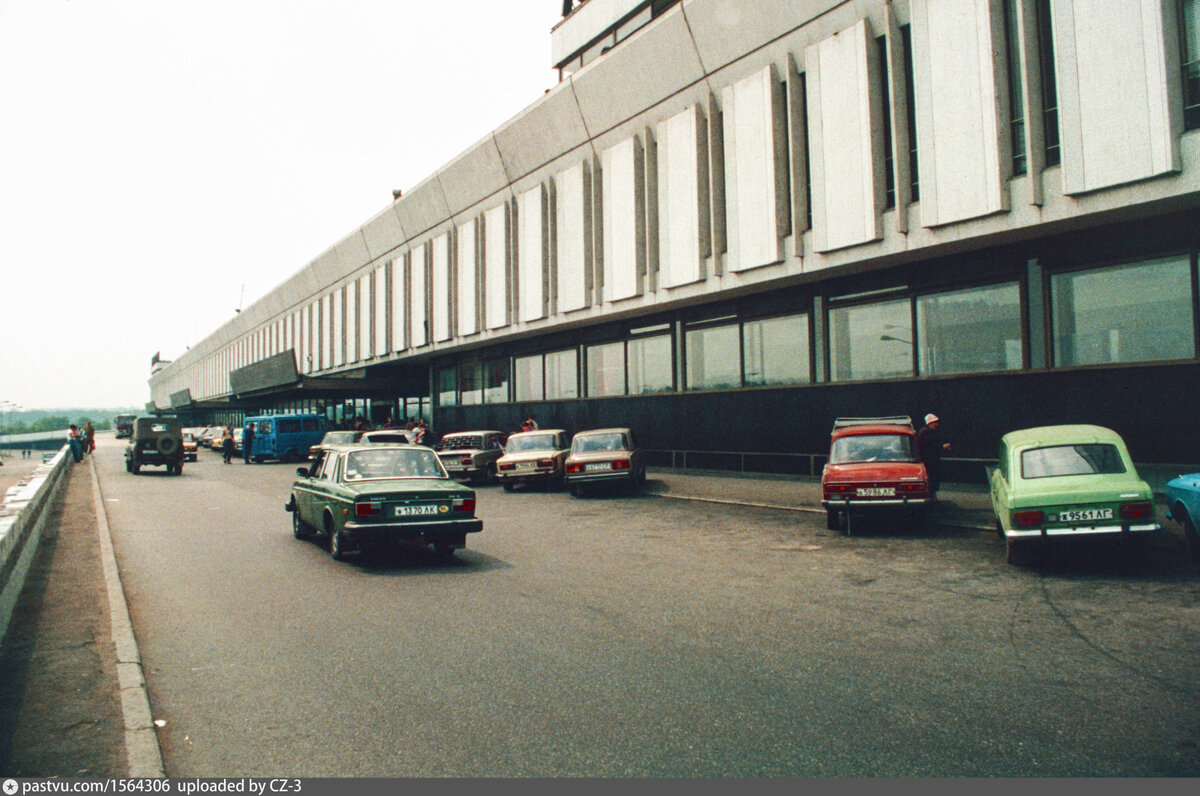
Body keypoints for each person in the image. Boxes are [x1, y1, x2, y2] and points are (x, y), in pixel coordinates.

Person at [917, 413, 950, 496]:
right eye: (934, 422)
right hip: (930, 460)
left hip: (929, 459)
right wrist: (943, 447)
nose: (937, 424)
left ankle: (932, 494)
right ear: (929, 423)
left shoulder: (925, 432)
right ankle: (931, 494)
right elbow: (932, 447)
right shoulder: (927, 432)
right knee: (932, 477)